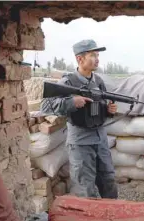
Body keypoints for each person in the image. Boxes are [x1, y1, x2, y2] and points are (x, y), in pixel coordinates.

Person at [41, 39, 118, 199]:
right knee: (85, 187)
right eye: (92, 55)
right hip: (81, 143)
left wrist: (109, 110)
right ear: (79, 59)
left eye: (97, 55)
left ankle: (111, 219)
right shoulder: (68, 82)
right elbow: (46, 106)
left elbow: (100, 106)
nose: (97, 59)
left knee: (108, 181)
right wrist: (72, 102)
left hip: (100, 140)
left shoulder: (98, 81)